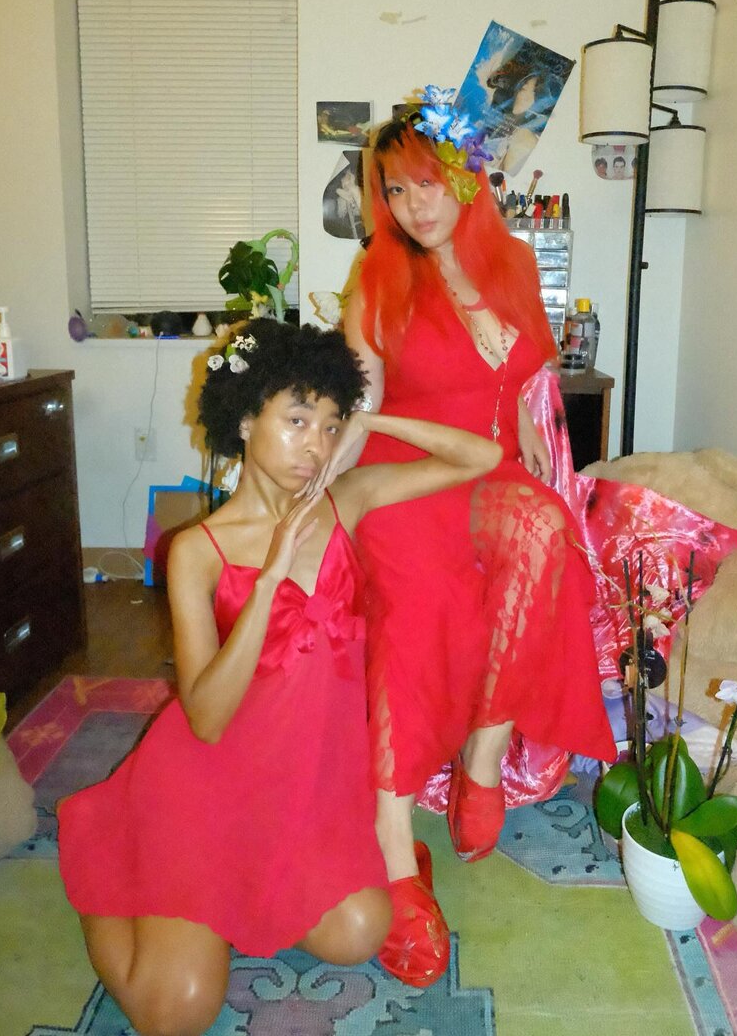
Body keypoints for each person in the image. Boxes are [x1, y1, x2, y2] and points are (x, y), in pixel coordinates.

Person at [57, 317, 502, 1036]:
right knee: (176, 1013)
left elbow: (481, 455)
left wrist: (368, 419)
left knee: (360, 932)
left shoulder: (344, 501)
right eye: (296, 420)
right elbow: (206, 718)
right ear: (244, 420)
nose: (315, 444)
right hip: (205, 787)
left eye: (328, 425)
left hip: (302, 791)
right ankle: (108, 859)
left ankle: (238, 896)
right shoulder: (196, 551)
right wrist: (267, 582)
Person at [305, 100, 617, 989]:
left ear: (465, 177)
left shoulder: (511, 263)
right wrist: (320, 495)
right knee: (421, 603)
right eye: (396, 191)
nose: (414, 206)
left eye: (426, 184)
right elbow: (363, 404)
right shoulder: (376, 276)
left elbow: (525, 384)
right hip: (407, 475)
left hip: (485, 471)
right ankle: (395, 851)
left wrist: (522, 427)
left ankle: (484, 756)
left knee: (545, 534)